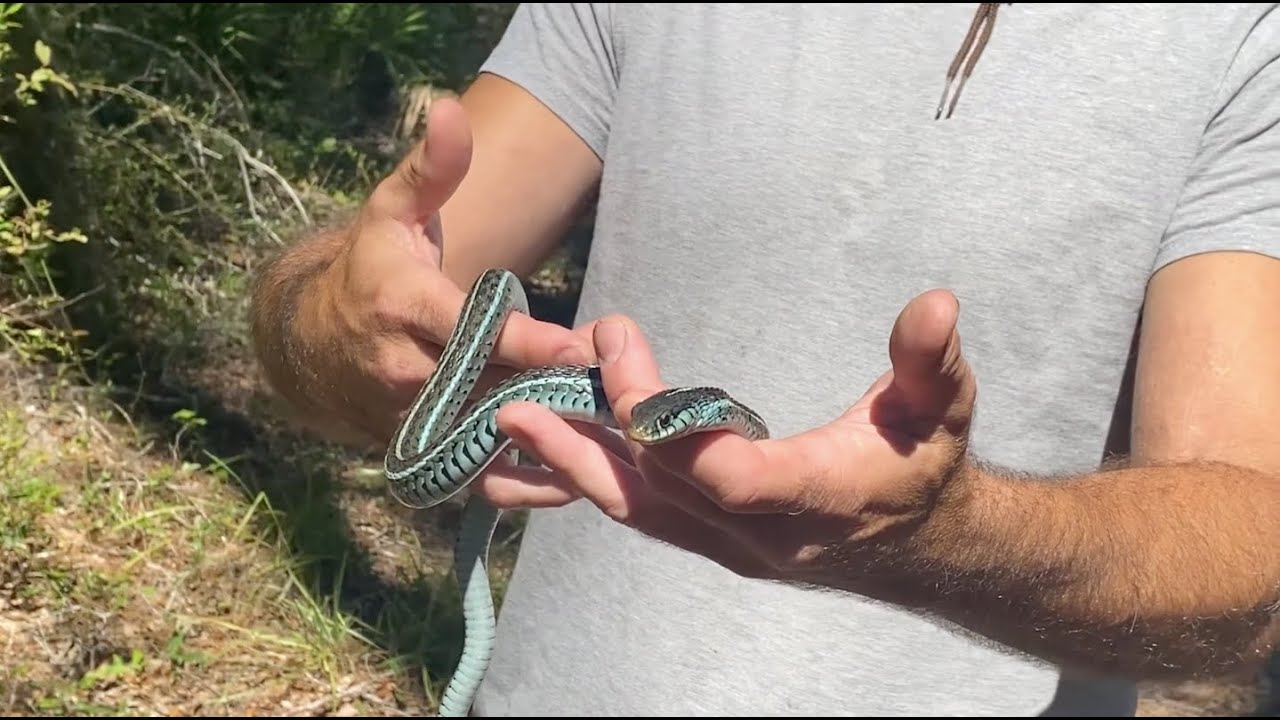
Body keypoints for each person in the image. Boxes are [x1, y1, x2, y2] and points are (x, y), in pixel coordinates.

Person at [249, 3, 1280, 716]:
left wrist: (945, 535)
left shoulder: (1238, 35)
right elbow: (353, 321)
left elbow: (1246, 557)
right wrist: (329, 320)